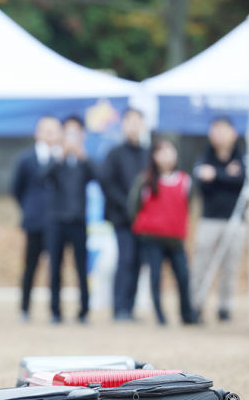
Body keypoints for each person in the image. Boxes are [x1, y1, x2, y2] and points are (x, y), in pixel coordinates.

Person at [129, 137, 196, 325]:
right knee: (156, 276)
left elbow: (188, 205)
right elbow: (133, 205)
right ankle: (160, 315)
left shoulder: (184, 180)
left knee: (183, 276)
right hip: (152, 238)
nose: (166, 156)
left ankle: (187, 314)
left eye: (170, 151)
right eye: (161, 152)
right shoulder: (146, 181)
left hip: (175, 238)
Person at [191, 117, 246, 322]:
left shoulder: (241, 155)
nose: (220, 135)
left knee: (230, 267)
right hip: (209, 219)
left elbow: (242, 180)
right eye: (216, 130)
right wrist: (226, 175)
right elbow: (201, 182)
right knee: (201, 264)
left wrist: (216, 175)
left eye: (224, 130)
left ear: (233, 133)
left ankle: (225, 308)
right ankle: (196, 305)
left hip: (235, 220)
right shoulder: (205, 155)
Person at [98, 108, 149, 320]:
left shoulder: (148, 153)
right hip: (121, 218)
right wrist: (128, 205)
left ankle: (130, 306)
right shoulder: (115, 153)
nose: (133, 126)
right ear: (123, 124)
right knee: (125, 259)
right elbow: (107, 183)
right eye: (129, 121)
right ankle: (119, 307)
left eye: (138, 121)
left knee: (138, 261)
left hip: (145, 220)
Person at [10, 116, 63, 321]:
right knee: (30, 265)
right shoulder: (27, 158)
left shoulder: (63, 157)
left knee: (56, 267)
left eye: (54, 130)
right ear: (38, 133)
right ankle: (24, 308)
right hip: (34, 221)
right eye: (46, 130)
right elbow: (17, 188)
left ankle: (55, 310)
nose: (50, 134)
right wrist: (29, 208)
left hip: (59, 221)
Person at [44, 116, 95, 324]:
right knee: (55, 267)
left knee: (82, 267)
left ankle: (84, 310)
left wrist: (82, 156)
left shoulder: (84, 161)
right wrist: (60, 156)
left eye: (76, 133)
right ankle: (55, 310)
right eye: (68, 133)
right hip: (56, 220)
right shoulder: (56, 159)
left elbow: (100, 177)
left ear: (83, 135)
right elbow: (42, 176)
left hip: (78, 221)